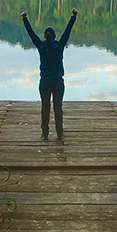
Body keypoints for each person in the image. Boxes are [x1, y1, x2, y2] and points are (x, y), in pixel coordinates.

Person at [21, 8, 77, 140]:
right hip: (58, 82)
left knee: (45, 108)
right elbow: (67, 32)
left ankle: (45, 133)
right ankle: (60, 133)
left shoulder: (41, 47)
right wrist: (73, 17)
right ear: (54, 36)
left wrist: (25, 19)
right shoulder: (60, 46)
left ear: (45, 36)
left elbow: (31, 34)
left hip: (45, 82)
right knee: (58, 108)